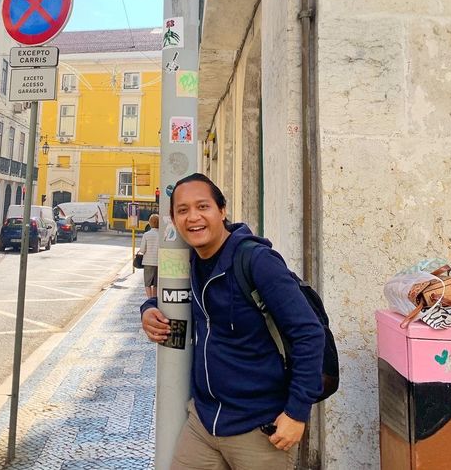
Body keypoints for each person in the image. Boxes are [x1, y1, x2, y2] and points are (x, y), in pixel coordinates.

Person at [141, 174, 325, 470]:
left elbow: (309, 334)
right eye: (183, 210)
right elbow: (178, 299)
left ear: (222, 211)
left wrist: (297, 412)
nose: (194, 217)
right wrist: (150, 308)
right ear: (173, 220)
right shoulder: (189, 261)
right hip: (204, 423)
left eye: (203, 206)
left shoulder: (257, 261)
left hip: (259, 427)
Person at [138, 213, 159, 297]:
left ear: (150, 223)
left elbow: (142, 250)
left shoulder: (146, 235)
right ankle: (154, 299)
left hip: (148, 262)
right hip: (159, 262)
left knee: (147, 283)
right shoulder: (162, 234)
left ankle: (149, 300)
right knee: (156, 284)